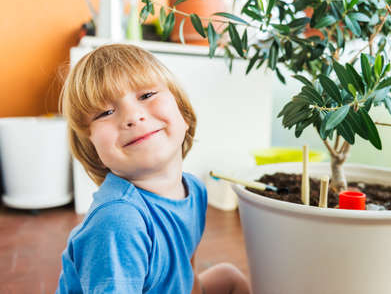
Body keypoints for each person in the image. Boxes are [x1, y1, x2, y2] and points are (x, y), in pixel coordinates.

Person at [56, 44, 250, 294]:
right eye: (105, 112)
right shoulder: (118, 221)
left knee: (229, 278)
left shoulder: (195, 191)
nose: (133, 116)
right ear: (94, 151)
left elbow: (187, 269)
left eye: (146, 95)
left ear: (184, 114)